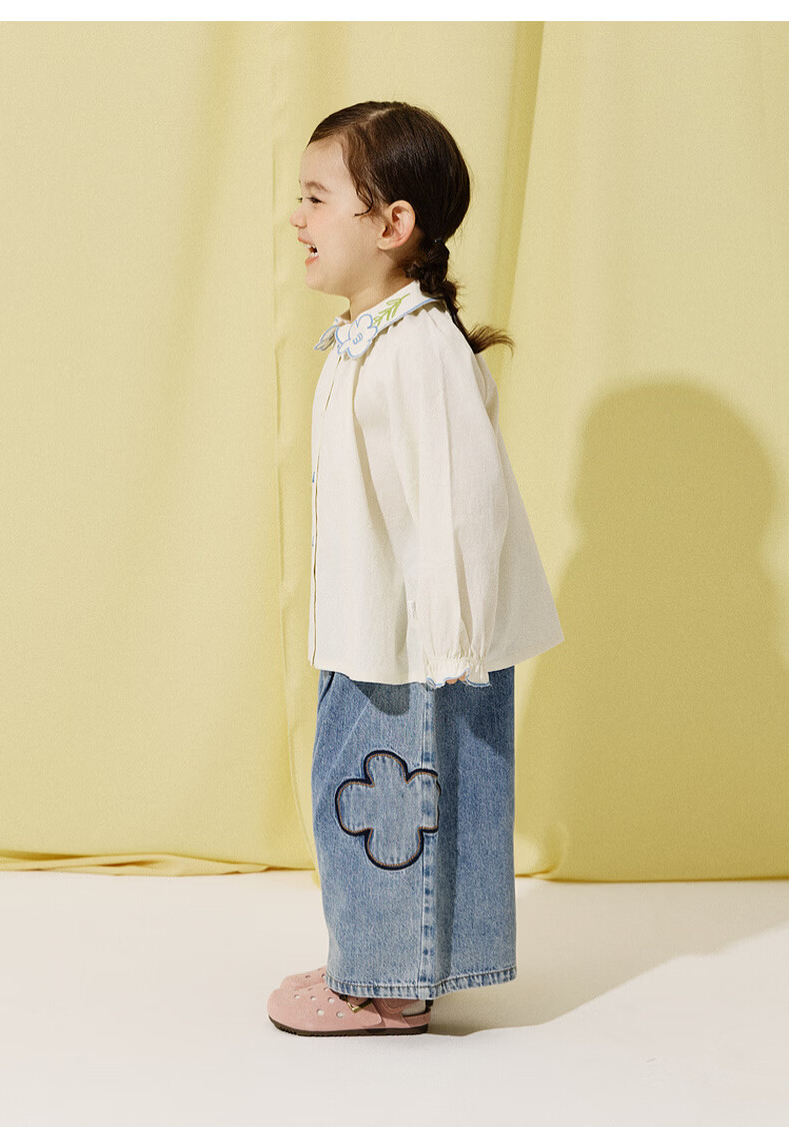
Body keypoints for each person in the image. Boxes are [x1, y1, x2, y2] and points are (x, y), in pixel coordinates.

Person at [267, 101, 564, 1037]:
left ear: (393, 223)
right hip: (373, 630)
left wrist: (452, 645)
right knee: (364, 800)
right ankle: (378, 960)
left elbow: (460, 502)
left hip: (419, 648)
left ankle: (387, 986)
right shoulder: (369, 335)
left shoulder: (420, 348)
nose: (297, 218)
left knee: (394, 807)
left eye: (317, 198)